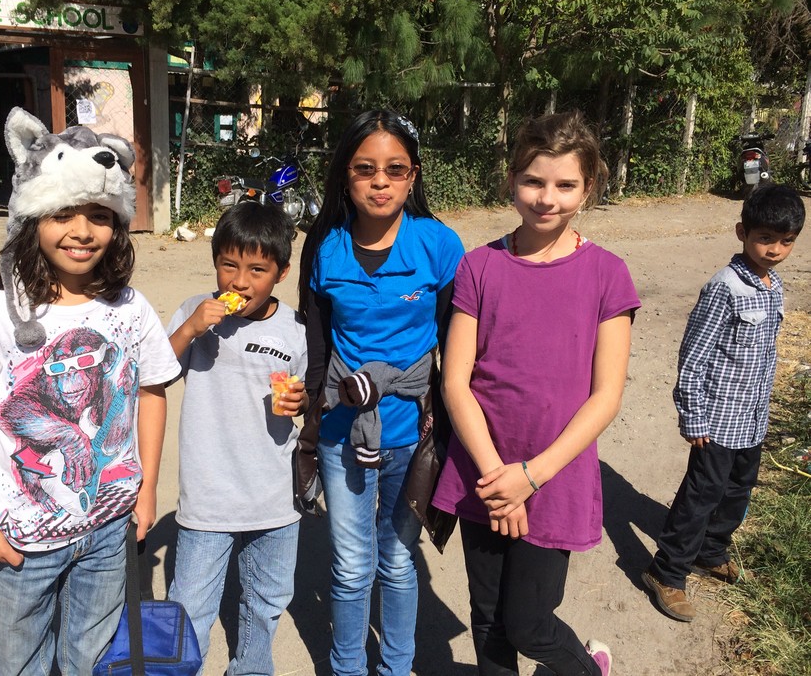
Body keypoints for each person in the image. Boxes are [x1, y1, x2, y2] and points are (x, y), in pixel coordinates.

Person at [0, 109, 180, 675]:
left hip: (108, 530)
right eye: (62, 213)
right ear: (33, 217)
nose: (82, 230)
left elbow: (153, 390)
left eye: (98, 214)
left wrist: (146, 488)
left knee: (88, 660)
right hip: (20, 546)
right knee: (20, 666)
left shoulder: (129, 309)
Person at [431, 110, 641, 676]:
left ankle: (588, 667)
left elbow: (606, 396)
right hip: (482, 469)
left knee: (529, 622)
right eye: (534, 181)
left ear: (588, 188)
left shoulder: (607, 274)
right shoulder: (479, 267)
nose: (547, 198)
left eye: (565, 185)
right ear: (511, 180)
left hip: (556, 476)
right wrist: (499, 475)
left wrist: (530, 477)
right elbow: (457, 381)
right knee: (487, 618)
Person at [297, 110, 465, 676]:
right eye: (365, 169)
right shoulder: (325, 246)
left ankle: (395, 669)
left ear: (412, 176)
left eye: (395, 170)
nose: (380, 182)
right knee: (350, 566)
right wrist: (310, 429)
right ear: (346, 176)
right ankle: (347, 669)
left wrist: (447, 428)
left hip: (412, 433)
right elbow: (318, 347)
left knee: (396, 562)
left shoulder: (439, 245)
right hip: (344, 431)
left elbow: (451, 348)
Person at [642, 184, 805, 623]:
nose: (775, 250)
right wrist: (693, 414)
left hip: (751, 417)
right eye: (765, 238)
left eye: (786, 241)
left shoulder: (774, 286)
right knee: (701, 494)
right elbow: (692, 355)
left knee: (738, 490)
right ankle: (667, 571)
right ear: (741, 232)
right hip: (717, 419)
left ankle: (710, 551)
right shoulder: (724, 287)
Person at [166, 200, 307, 675]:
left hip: (273, 495)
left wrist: (301, 403)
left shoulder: (296, 331)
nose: (239, 282)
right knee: (189, 607)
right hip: (209, 495)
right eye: (229, 264)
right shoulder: (196, 313)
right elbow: (156, 374)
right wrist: (190, 328)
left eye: (257, 269)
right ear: (215, 263)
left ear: (281, 273)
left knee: (266, 602)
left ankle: (250, 668)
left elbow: (310, 395)